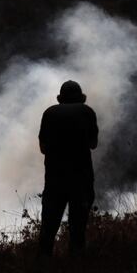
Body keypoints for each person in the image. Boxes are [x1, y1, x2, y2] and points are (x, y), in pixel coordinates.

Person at [38, 80, 98, 257]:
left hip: (55, 180)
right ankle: (76, 271)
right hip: (81, 178)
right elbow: (93, 144)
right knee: (77, 229)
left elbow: (43, 148)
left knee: (48, 228)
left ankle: (42, 270)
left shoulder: (49, 113)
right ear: (81, 98)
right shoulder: (87, 112)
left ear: (60, 98)